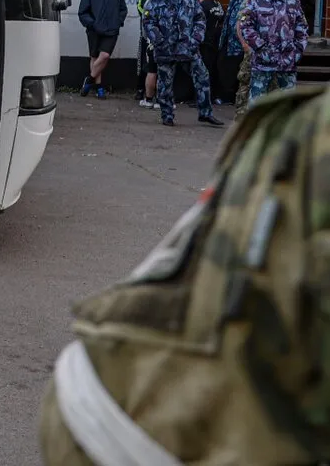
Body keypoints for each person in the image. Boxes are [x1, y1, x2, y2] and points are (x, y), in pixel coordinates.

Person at [38, 83, 330, 465]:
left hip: (122, 409)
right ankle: (166, 110)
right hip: (132, 428)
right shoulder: (310, 130)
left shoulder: (308, 125)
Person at [143, 0, 224, 127]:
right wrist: (159, 41)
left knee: (202, 77)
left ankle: (205, 113)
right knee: (165, 83)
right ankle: (167, 115)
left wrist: (195, 40)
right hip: (166, 48)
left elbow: (200, 19)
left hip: (188, 48)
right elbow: (148, 22)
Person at [239, 0, 308, 105]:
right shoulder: (256, 1)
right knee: (257, 103)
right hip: (263, 61)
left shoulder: (293, 2)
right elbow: (245, 25)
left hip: (287, 61)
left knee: (287, 103)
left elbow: (302, 27)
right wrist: (260, 47)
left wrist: (298, 50)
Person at [77, 0, 127, 99]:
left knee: (104, 56)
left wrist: (118, 21)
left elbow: (123, 8)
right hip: (94, 31)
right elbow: (82, 12)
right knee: (95, 58)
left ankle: (88, 81)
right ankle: (99, 88)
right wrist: (92, 24)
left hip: (111, 30)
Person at [235, 0, 271, 115]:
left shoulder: (281, 1)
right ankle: (242, 115)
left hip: (271, 52)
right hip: (253, 49)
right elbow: (240, 23)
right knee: (246, 81)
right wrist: (245, 44)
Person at [217, 0, 253, 103]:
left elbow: (243, 18)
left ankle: (234, 97)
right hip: (229, 38)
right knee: (225, 66)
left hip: (239, 40)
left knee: (236, 68)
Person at [192, 0, 226, 103]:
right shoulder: (217, 5)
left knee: (202, 71)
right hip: (217, 42)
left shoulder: (201, 6)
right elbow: (223, 19)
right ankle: (214, 96)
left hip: (204, 42)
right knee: (213, 70)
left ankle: (202, 98)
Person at [135, 0, 161, 108]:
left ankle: (156, 97)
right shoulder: (144, 0)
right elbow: (144, 14)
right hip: (147, 39)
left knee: (156, 69)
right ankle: (141, 89)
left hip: (160, 41)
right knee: (143, 65)